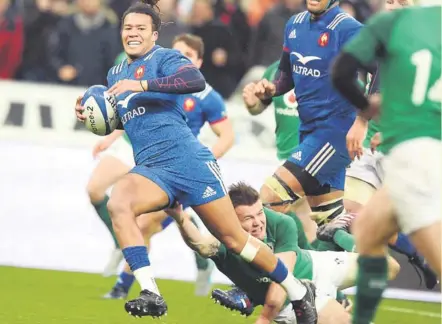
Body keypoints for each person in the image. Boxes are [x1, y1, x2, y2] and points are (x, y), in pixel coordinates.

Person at [74, 1, 318, 321]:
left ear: (153, 34)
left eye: (140, 28)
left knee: (235, 241)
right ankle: (150, 292)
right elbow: (132, 118)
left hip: (189, 162)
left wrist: (143, 84)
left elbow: (194, 81)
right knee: (119, 202)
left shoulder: (165, 57)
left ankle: (300, 291)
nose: (132, 33)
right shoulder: (116, 72)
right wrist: (93, 118)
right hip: (152, 167)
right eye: (128, 27)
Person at [331, 1, 441, 323]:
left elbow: (340, 73)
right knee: (367, 229)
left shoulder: (387, 26)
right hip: (416, 152)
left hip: (416, 156)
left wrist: (366, 108)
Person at [103, 33, 235, 299]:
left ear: (197, 61)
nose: (176, 59)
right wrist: (109, 135)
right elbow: (133, 114)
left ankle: (126, 286)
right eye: (174, 53)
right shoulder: (157, 85)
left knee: (147, 226)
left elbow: (228, 136)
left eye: (185, 55)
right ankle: (196, 264)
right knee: (146, 223)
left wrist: (204, 164)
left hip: (186, 169)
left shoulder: (208, 96)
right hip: (158, 169)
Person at [168, 182, 399, 324]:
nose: (259, 222)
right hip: (293, 299)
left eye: (260, 213)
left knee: (389, 266)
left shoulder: (280, 222)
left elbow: (281, 272)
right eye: (248, 218)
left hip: (314, 266)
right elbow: (200, 244)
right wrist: (179, 217)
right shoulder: (225, 239)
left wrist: (263, 319)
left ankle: (333, 235)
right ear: (232, 220)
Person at [249, 0, 366, 243]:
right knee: (329, 226)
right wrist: (271, 89)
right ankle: (378, 263)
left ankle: (264, 277)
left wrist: (362, 122)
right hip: (310, 131)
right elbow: (285, 75)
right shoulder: (295, 24)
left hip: (334, 133)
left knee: (269, 198)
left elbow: (381, 70)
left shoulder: (348, 29)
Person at [242, 61, 313, 241]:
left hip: (314, 157)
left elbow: (359, 102)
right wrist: (253, 104)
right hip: (284, 158)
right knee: (297, 219)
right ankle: (302, 262)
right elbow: (260, 105)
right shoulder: (275, 69)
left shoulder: (327, 65)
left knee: (267, 206)